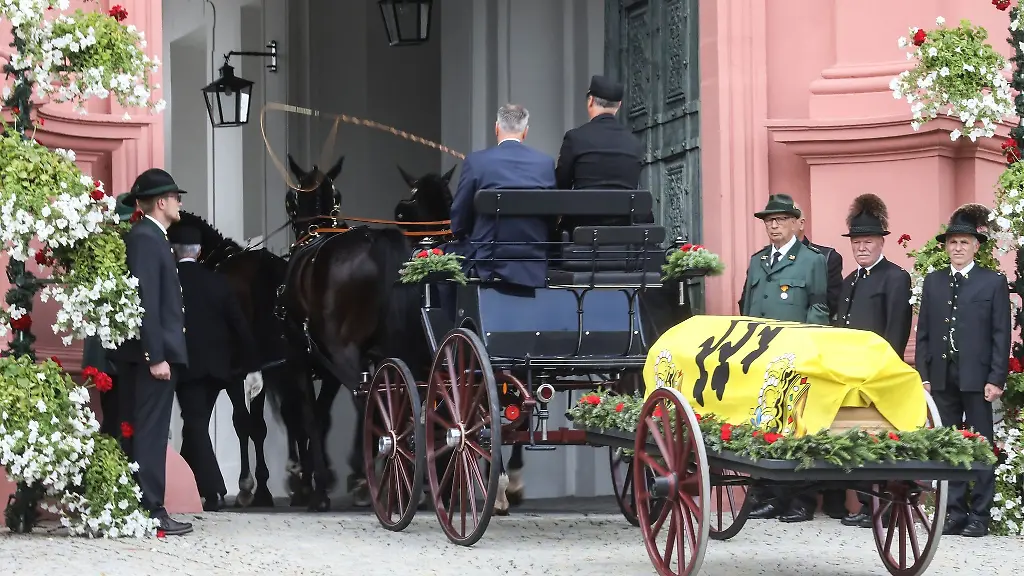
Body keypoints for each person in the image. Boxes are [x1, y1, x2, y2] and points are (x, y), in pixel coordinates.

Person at [916, 203, 1009, 538]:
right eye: (952, 242)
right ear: (946, 246)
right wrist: (924, 373)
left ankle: (979, 516)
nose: (957, 247)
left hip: (978, 378)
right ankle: (954, 512)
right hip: (942, 376)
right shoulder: (934, 282)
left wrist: (996, 377)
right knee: (950, 444)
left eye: (964, 242)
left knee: (982, 444)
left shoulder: (992, 282)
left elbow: (1001, 333)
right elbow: (924, 331)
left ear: (976, 247)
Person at [109, 168, 191, 536]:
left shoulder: (151, 236)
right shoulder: (146, 237)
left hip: (155, 354)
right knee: (151, 432)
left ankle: (147, 507)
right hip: (153, 358)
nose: (179, 203)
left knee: (151, 430)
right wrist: (155, 355)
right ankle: (150, 510)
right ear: (161, 202)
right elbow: (146, 301)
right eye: (175, 197)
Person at [739, 193, 829, 523]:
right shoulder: (757, 260)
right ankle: (767, 495)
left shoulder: (811, 260)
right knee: (763, 423)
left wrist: (808, 351)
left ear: (795, 223)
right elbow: (748, 308)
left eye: (779, 219)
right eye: (768, 220)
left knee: (798, 424)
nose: (773, 225)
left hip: (795, 354)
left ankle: (800, 500)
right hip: (761, 355)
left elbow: (818, 308)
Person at [168, 224, 264, 512]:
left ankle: (214, 490)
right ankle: (187, 486)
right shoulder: (219, 282)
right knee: (193, 427)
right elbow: (241, 328)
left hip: (189, 369)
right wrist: (253, 367)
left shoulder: (171, 283)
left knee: (195, 425)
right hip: (221, 368)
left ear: (174, 251)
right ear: (200, 252)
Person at [832, 193, 913, 528]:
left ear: (881, 242)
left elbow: (897, 329)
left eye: (867, 242)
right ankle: (864, 505)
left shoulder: (895, 277)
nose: (861, 248)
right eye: (857, 243)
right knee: (854, 437)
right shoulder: (850, 281)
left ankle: (882, 507)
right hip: (849, 374)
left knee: (877, 439)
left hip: (878, 373)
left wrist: (886, 370)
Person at [447, 103, 556, 290]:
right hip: (533, 262)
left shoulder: (476, 161)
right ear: (525, 132)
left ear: (496, 128)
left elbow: (459, 221)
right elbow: (551, 218)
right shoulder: (545, 163)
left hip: (488, 263)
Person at [554, 75, 646, 231]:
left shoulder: (575, 138)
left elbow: (561, 186)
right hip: (624, 234)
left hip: (580, 233)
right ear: (619, 105)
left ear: (590, 101)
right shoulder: (634, 143)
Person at [87, 193, 142, 437]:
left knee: (112, 416)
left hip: (103, 352)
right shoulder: (135, 242)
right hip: (127, 350)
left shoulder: (100, 244)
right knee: (128, 421)